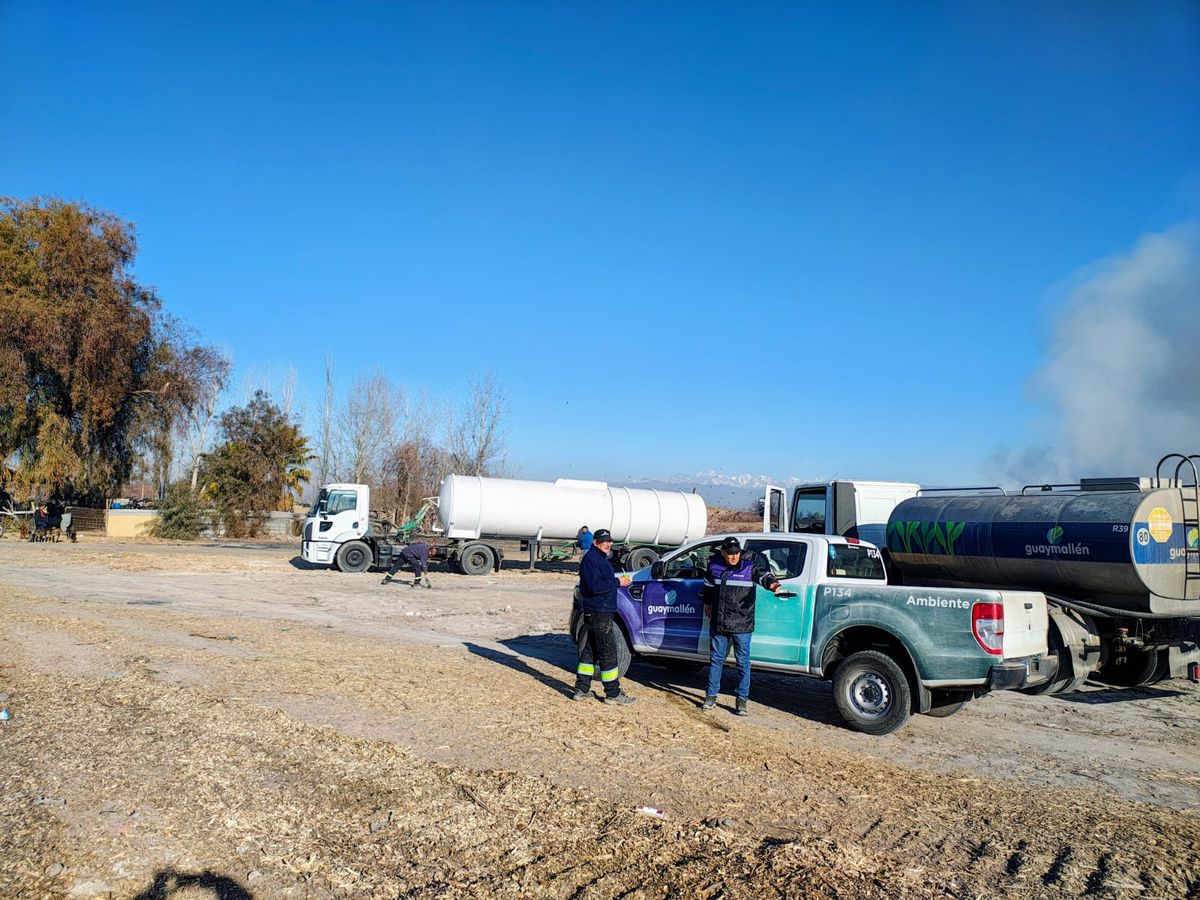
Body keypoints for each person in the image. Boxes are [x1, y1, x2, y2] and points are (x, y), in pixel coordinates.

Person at [702, 536, 781, 716]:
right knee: (716, 661)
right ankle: (711, 696)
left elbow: (763, 576)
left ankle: (742, 700)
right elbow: (707, 587)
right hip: (719, 623)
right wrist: (707, 604)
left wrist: (772, 584)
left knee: (743, 663)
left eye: (736, 553)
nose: (733, 557)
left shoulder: (749, 566)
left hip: (742, 624)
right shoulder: (713, 567)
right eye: (730, 554)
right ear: (723, 553)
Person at [573, 528, 635, 704]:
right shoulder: (591, 560)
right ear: (596, 543)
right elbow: (594, 587)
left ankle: (581, 689)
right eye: (605, 541)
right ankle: (613, 693)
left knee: (589, 650)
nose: (609, 544)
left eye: (610, 541)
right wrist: (617, 582)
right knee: (607, 652)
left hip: (599, 610)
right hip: (599, 611)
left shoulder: (598, 559)